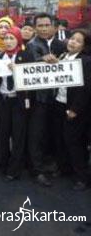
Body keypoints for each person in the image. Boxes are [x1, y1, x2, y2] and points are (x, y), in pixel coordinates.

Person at [26, 13, 66, 187]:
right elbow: (27, 68)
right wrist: (41, 61)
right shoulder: (31, 45)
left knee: (55, 132)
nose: (43, 28)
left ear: (53, 26)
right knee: (36, 133)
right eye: (40, 25)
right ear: (35, 28)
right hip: (39, 99)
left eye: (46, 25)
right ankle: (37, 170)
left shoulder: (63, 45)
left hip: (58, 99)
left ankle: (54, 164)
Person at [0, 27, 34, 182]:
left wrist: (16, 70)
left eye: (12, 38)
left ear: (18, 40)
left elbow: (30, 79)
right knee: (2, 133)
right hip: (3, 100)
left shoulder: (25, 55)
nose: (8, 41)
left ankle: (15, 169)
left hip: (18, 101)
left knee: (18, 135)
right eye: (6, 38)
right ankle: (2, 164)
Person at [52, 29, 91, 190]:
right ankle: (65, 168)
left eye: (78, 41)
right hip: (59, 103)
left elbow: (86, 88)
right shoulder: (62, 56)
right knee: (60, 138)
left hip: (74, 108)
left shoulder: (86, 61)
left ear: (84, 46)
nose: (72, 42)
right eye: (72, 39)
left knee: (75, 142)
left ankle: (83, 177)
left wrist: (75, 109)